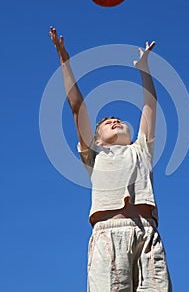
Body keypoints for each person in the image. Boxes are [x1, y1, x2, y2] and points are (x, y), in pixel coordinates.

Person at [49, 26, 172, 292]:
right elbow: (77, 106)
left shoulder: (141, 149)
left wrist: (144, 70)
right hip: (109, 236)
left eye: (119, 120)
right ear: (98, 139)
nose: (115, 121)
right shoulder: (95, 155)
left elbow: (150, 105)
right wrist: (64, 61)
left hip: (148, 236)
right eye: (106, 123)